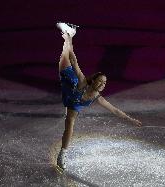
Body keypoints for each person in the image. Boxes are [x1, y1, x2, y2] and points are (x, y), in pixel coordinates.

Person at [56, 22, 142, 170]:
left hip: (73, 104)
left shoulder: (97, 98)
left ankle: (62, 155)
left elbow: (114, 110)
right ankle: (69, 35)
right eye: (100, 81)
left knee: (69, 123)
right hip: (67, 77)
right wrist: (70, 46)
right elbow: (74, 61)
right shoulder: (83, 82)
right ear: (94, 81)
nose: (103, 84)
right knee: (65, 53)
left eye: (105, 83)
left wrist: (130, 119)